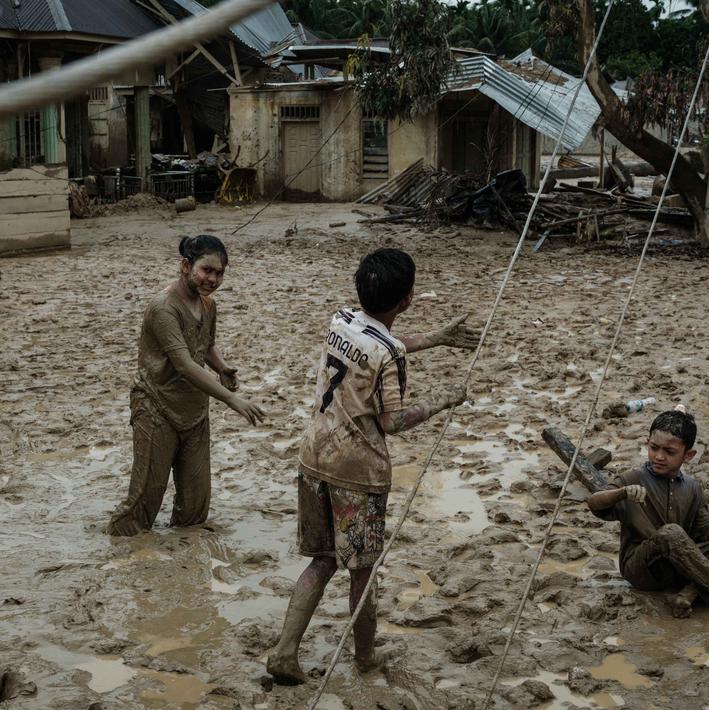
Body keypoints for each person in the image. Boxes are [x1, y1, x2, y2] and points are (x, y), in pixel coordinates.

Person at [265, 248, 479, 684]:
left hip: (314, 455)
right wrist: (444, 398)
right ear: (407, 299)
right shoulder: (388, 356)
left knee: (322, 560)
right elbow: (393, 421)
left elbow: (380, 343)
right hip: (357, 472)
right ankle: (365, 655)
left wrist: (436, 338)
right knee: (363, 568)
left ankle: (284, 653)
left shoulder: (341, 318)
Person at [107, 235, 265, 536]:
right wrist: (232, 400)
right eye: (206, 270)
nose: (212, 279)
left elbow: (204, 345)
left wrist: (223, 368)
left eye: (219, 273)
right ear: (185, 266)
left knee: (195, 508)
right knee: (143, 503)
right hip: (156, 406)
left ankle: (181, 564)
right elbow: (184, 363)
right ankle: (117, 553)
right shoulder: (163, 308)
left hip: (194, 408)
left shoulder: (208, 304)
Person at [587, 411, 709, 618]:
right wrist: (620, 494)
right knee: (671, 533)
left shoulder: (693, 487)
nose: (659, 456)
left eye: (669, 451)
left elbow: (705, 536)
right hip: (643, 570)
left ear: (688, 455)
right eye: (654, 448)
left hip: (683, 566)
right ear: (647, 443)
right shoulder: (632, 479)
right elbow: (594, 503)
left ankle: (686, 595)